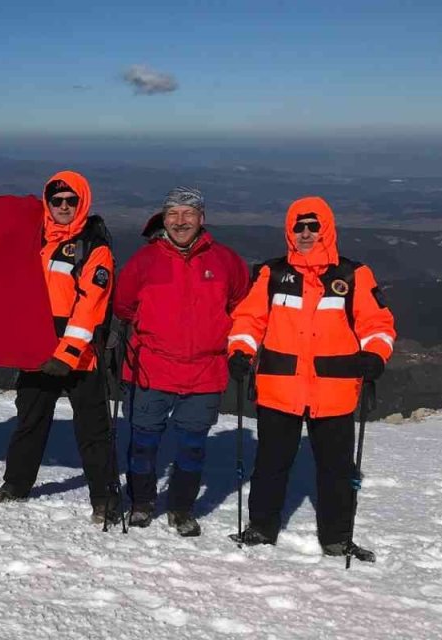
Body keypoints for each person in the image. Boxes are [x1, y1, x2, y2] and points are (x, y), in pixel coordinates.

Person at [228, 196, 395, 561]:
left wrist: (375, 355)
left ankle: (336, 539)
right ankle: (260, 529)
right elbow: (248, 320)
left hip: (334, 390)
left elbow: (377, 324)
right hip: (279, 387)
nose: (305, 233)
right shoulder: (271, 274)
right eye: (298, 227)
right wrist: (240, 350)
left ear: (326, 229)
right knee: (271, 465)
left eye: (312, 226)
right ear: (289, 231)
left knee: (336, 470)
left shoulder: (352, 275)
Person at [0, 171, 122, 526]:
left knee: (93, 430)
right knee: (29, 422)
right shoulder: (34, 237)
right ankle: (15, 485)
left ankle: (105, 499)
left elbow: (91, 307)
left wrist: (67, 354)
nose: (62, 207)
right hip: (35, 350)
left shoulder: (94, 247)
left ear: (82, 203)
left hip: (79, 356)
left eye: (70, 201)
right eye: (56, 200)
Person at [112, 187, 250, 536]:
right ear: (163, 218)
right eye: (173, 214)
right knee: (143, 445)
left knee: (192, 448)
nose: (180, 221)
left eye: (188, 213)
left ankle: (181, 509)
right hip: (151, 368)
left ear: (202, 218)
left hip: (205, 371)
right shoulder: (145, 261)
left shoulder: (225, 261)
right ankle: (142, 503)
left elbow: (243, 307)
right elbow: (123, 306)